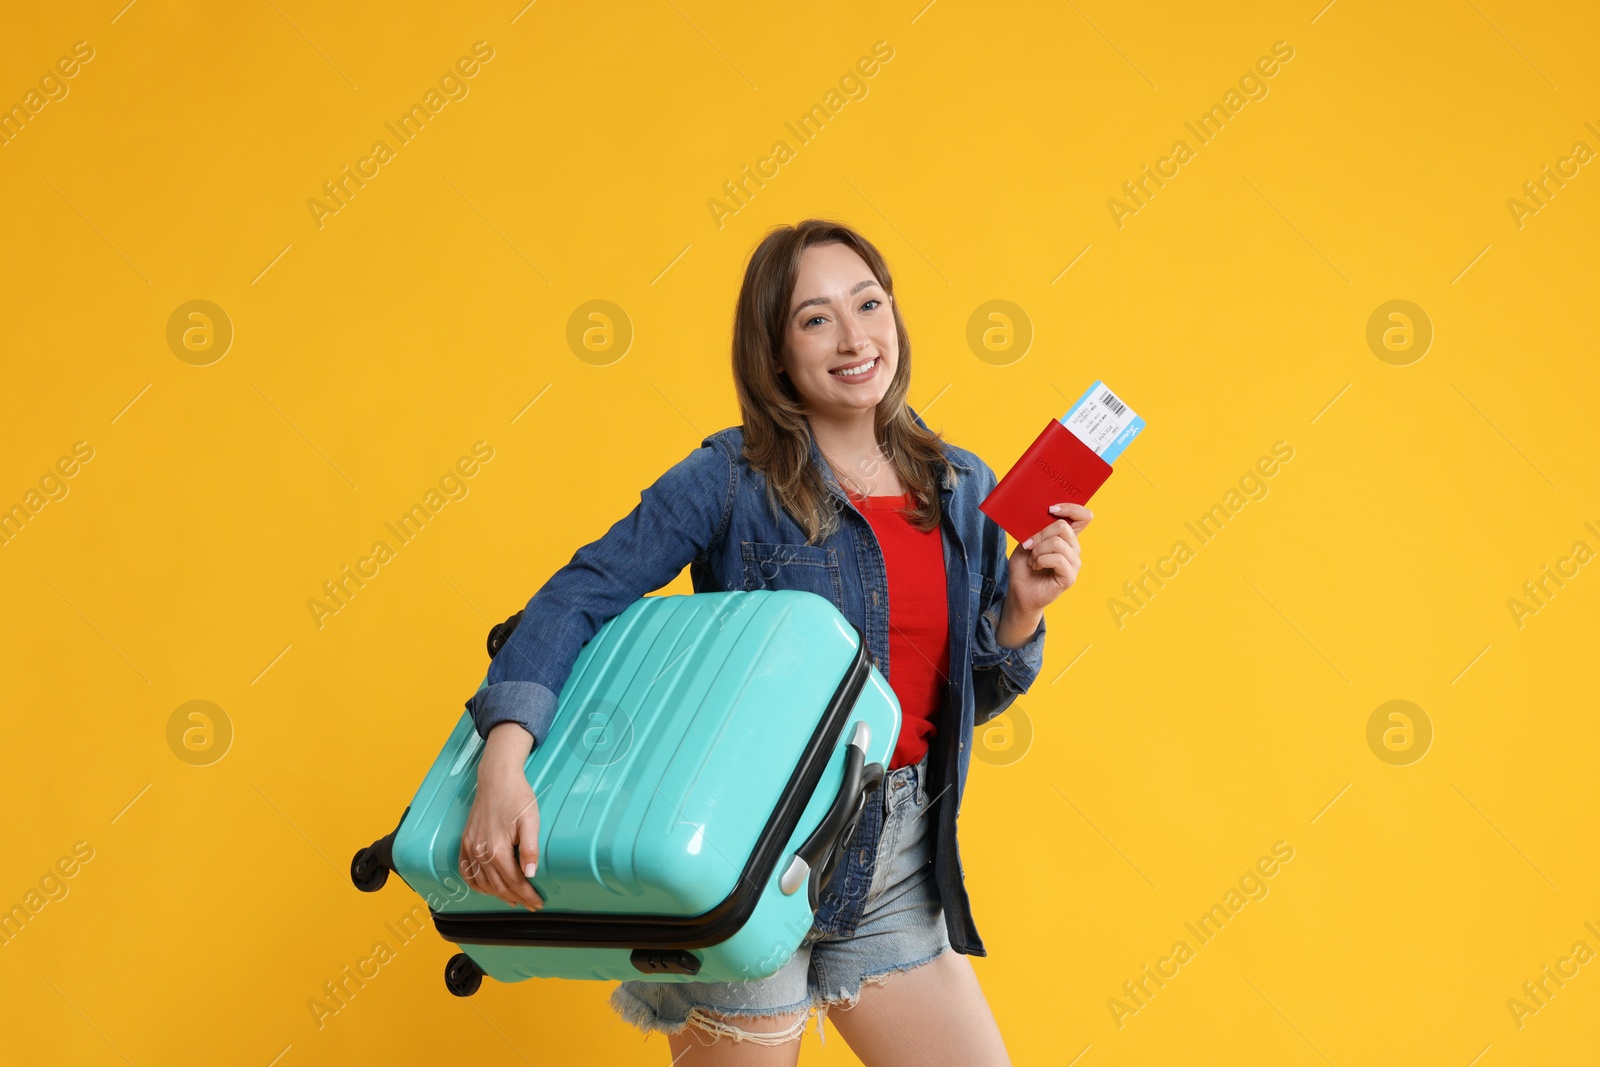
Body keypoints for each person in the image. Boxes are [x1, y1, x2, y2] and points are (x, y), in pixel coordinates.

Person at [456, 218, 1093, 1065]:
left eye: (869, 303)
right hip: (748, 851)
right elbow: (577, 595)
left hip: (896, 860)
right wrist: (504, 760)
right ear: (775, 351)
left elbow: (957, 696)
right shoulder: (729, 478)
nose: (855, 336)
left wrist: (1019, 613)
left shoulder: (961, 484)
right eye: (815, 317)